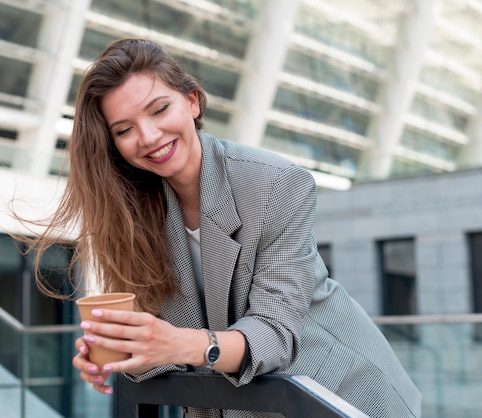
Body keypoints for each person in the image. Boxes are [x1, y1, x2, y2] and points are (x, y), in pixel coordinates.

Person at [25, 38, 422, 417]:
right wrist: (125, 351)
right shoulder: (133, 213)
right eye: (124, 130)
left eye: (159, 109)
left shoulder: (276, 184)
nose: (148, 137)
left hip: (336, 396)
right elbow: (169, 342)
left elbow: (273, 335)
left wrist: (172, 343)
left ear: (193, 102)